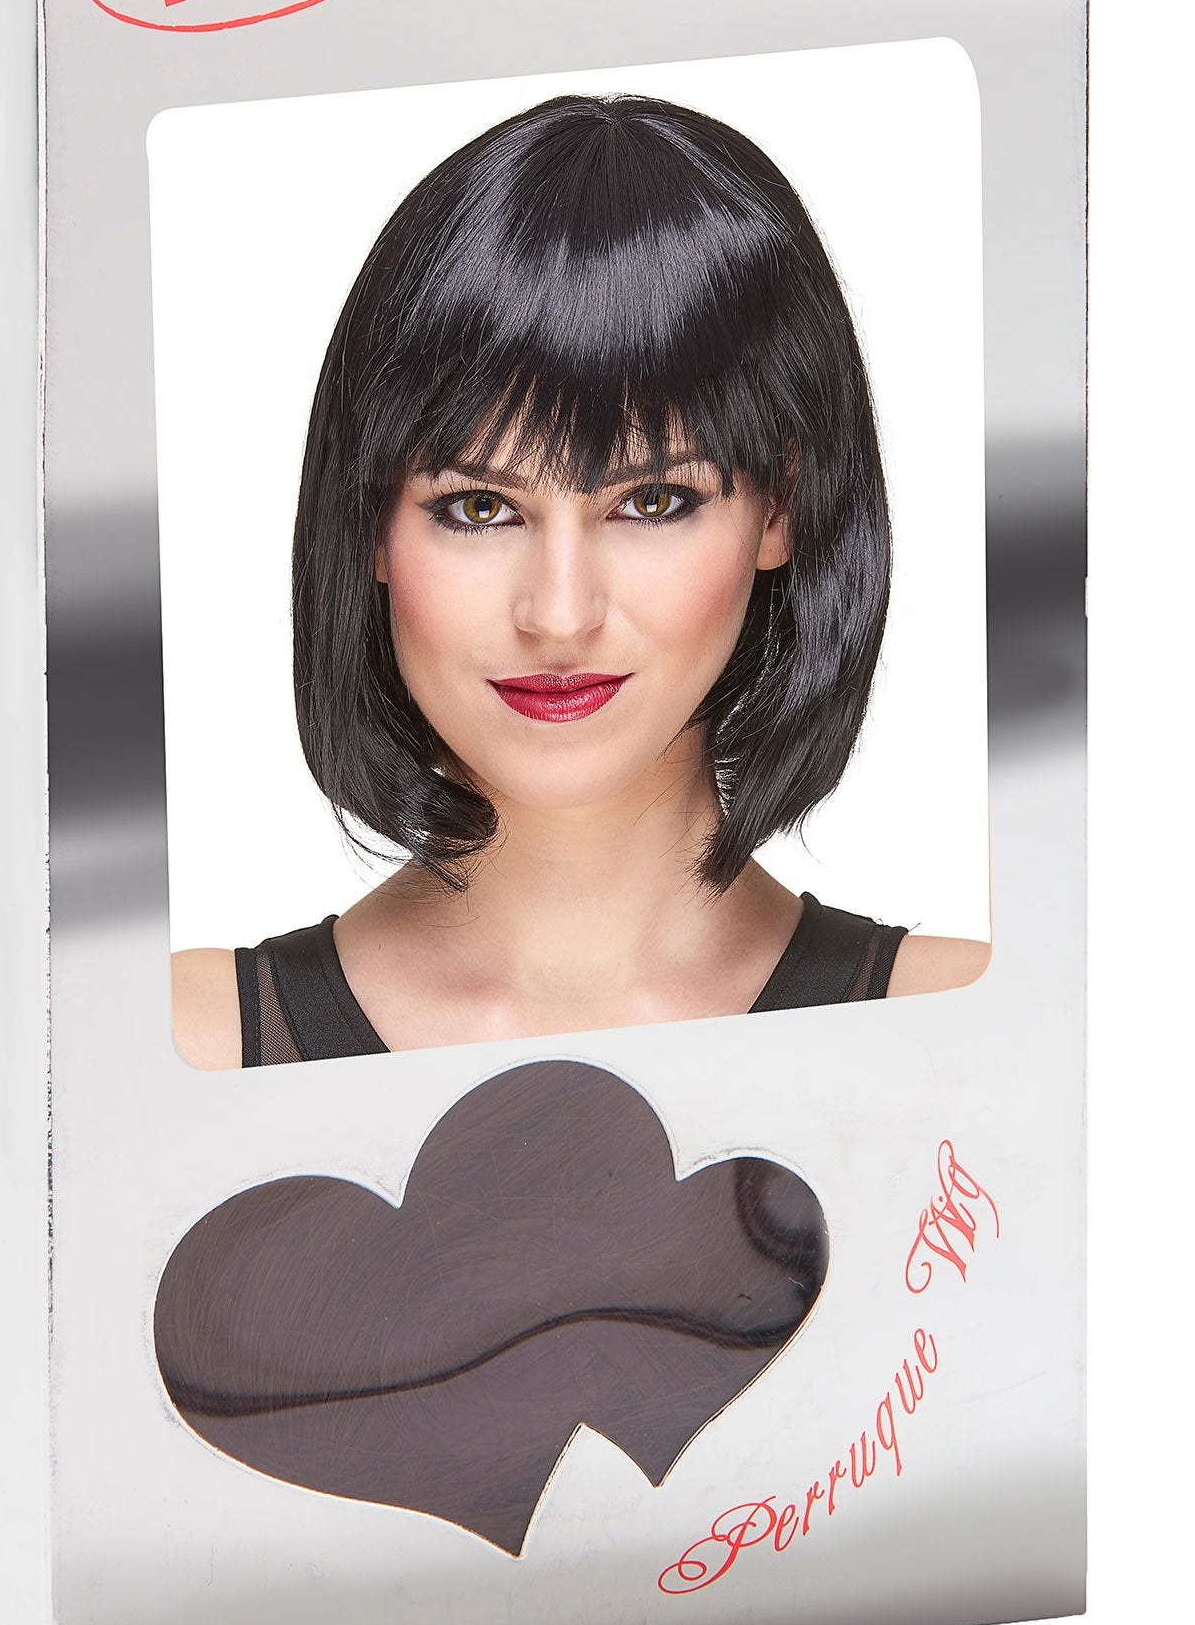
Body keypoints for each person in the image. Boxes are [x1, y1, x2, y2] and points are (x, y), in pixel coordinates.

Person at [172, 92, 989, 1069]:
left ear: (780, 508)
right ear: (371, 527)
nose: (559, 616)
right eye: (480, 508)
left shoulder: (967, 1030)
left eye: (651, 502)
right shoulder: (182, 1043)